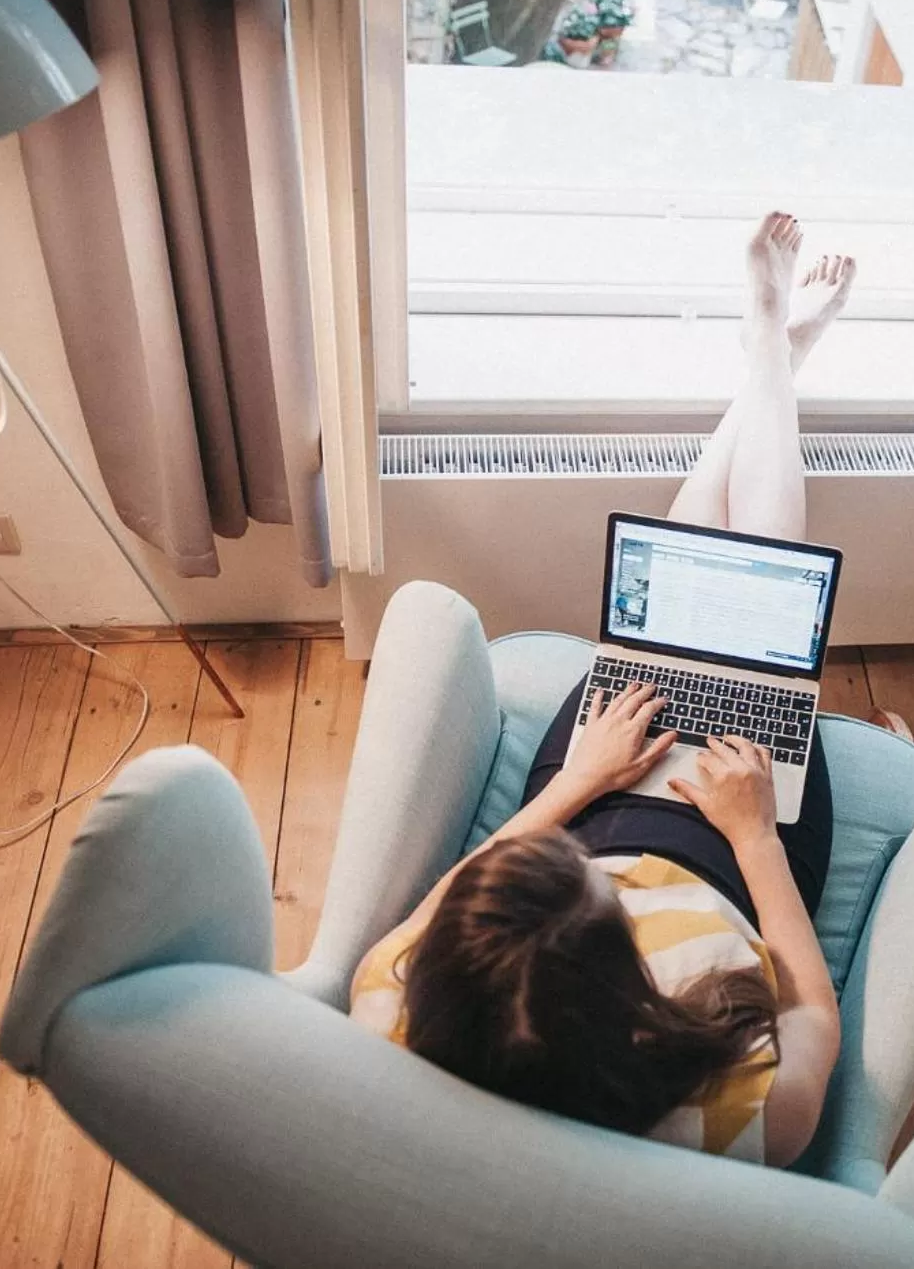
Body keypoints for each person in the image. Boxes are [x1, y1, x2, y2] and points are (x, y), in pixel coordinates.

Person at [349, 213, 856, 1167]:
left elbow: (467, 903)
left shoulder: (391, 1005)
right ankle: (772, 355)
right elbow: (812, 1011)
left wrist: (579, 789)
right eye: (604, 897)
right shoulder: (741, 1107)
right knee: (756, 607)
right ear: (628, 989)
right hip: (733, 860)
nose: (609, 876)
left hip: (590, 791)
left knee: (669, 621)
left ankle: (770, 356)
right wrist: (750, 830)